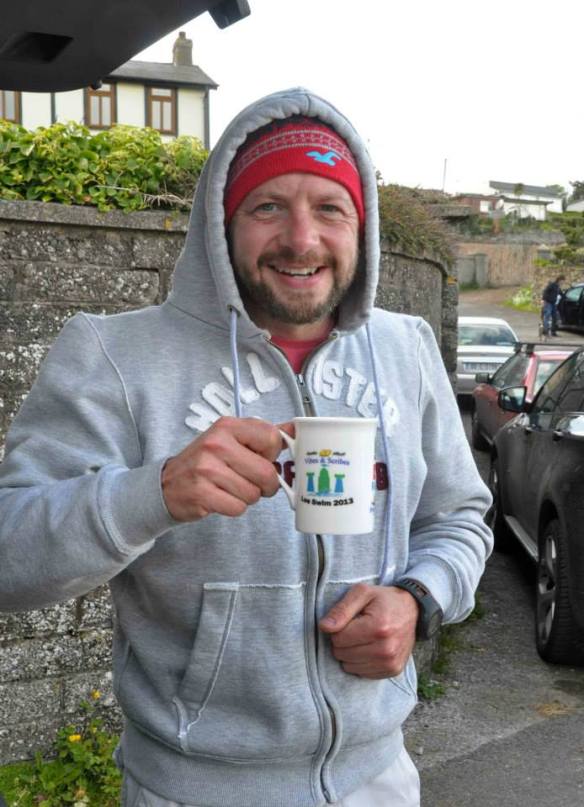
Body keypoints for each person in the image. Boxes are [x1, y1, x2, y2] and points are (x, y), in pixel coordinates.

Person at [0, 88, 492, 807]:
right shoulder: (113, 354)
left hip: (381, 780)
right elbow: (10, 556)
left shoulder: (406, 348)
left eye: (330, 208)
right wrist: (155, 493)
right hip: (192, 788)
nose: (301, 238)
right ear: (221, 224)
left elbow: (459, 518)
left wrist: (419, 599)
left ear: (363, 227)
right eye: (268, 207)